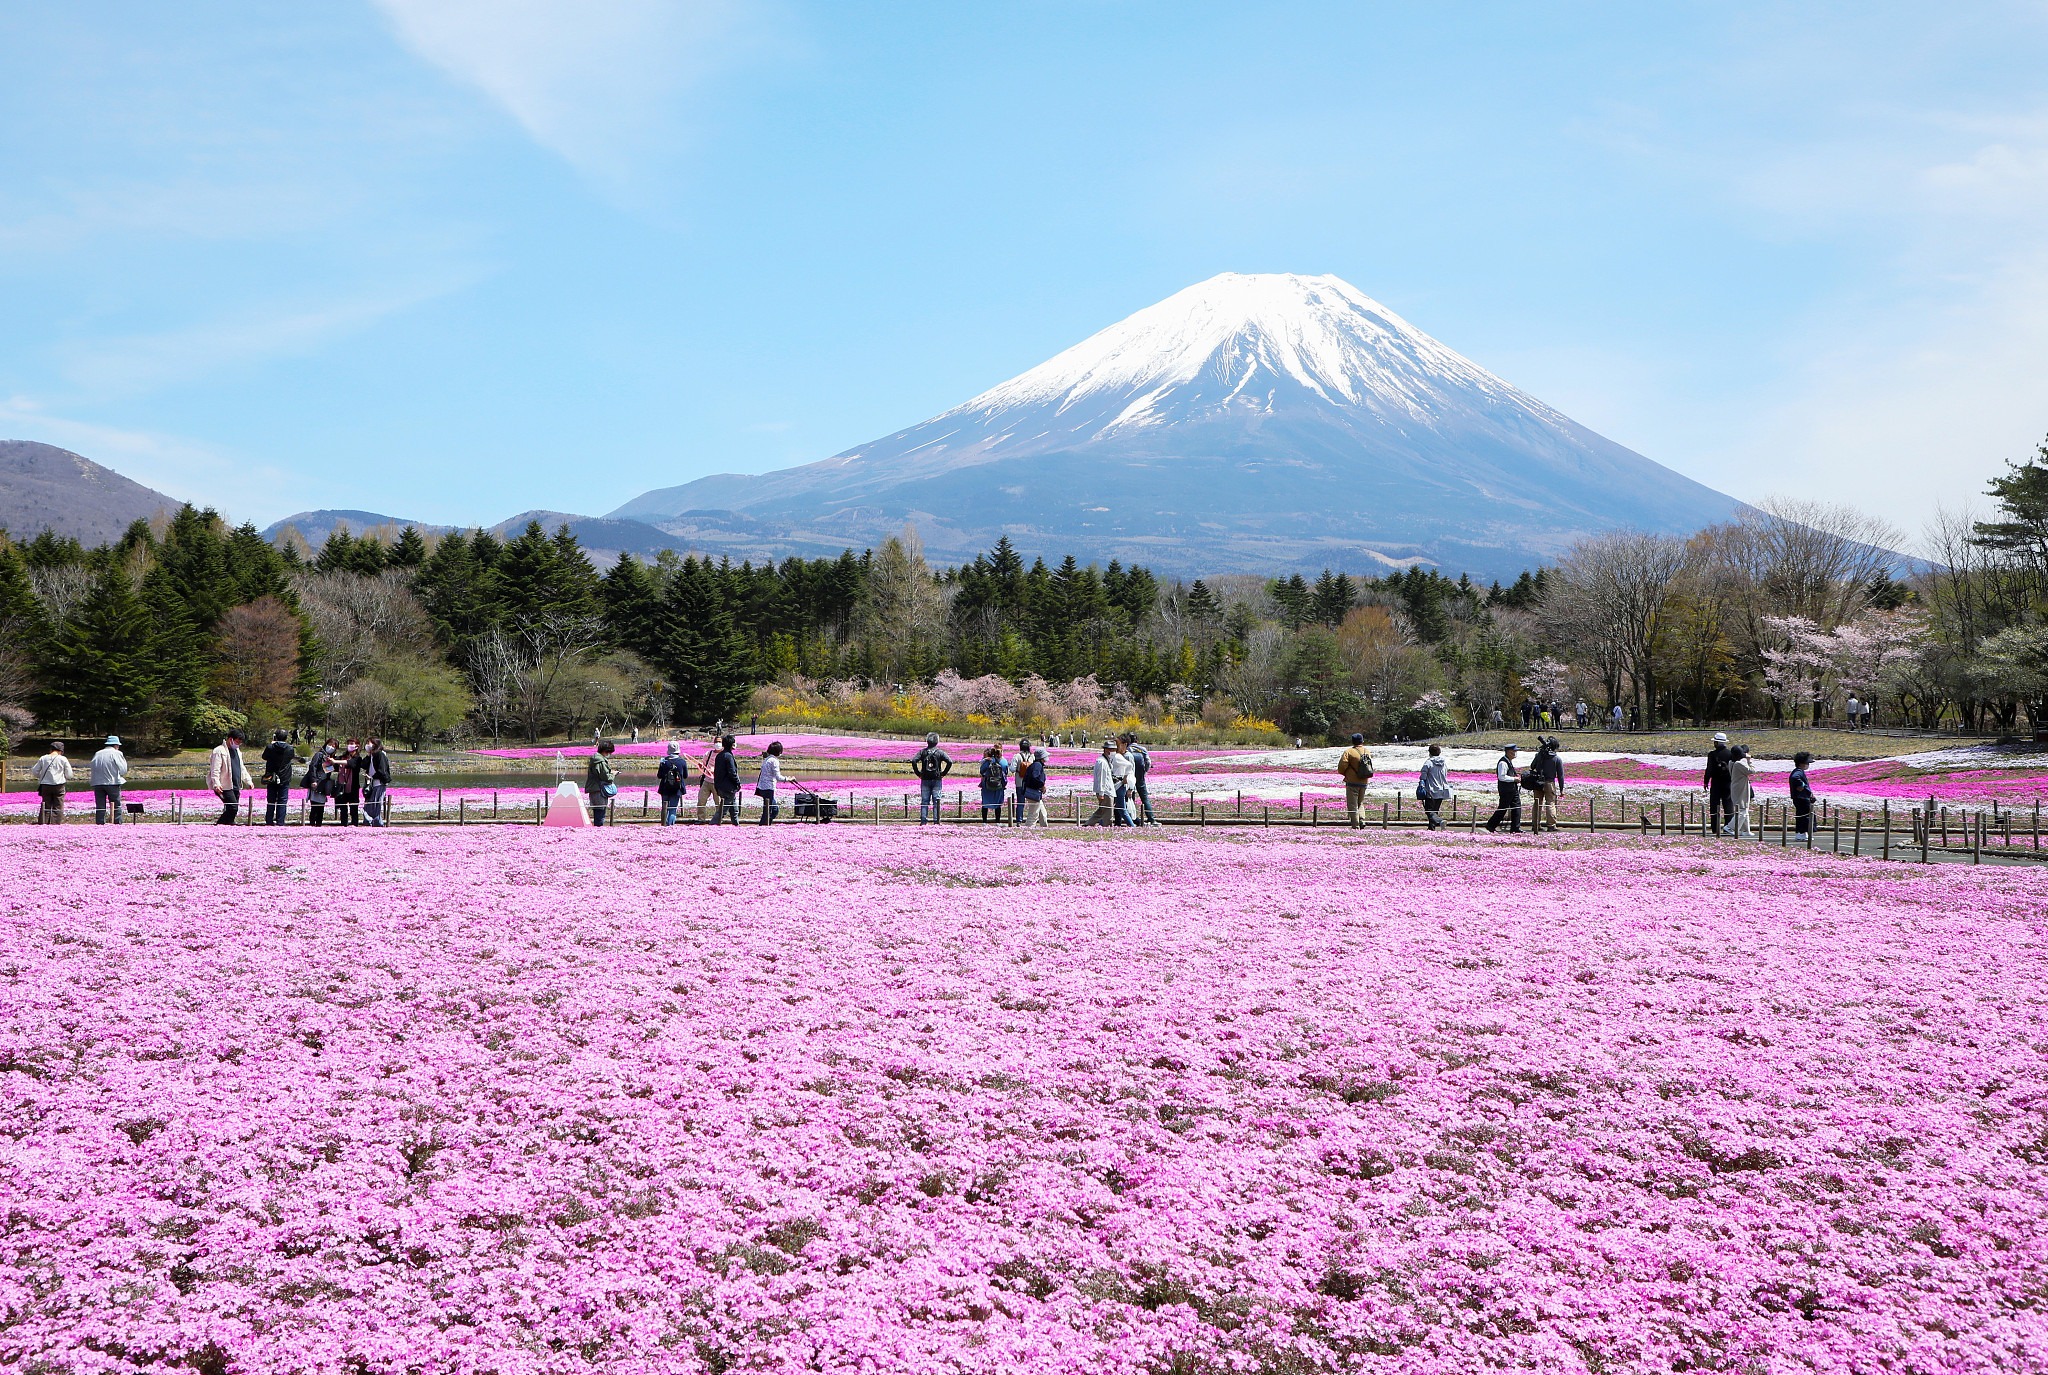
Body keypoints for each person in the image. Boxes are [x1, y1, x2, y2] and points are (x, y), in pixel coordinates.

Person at [207, 729, 254, 825]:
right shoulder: (219, 751)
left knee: (233, 808)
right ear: (230, 739)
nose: (238, 744)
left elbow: (241, 767)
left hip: (236, 784)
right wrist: (216, 784)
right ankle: (220, 824)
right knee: (233, 806)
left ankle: (228, 824)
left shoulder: (237, 751)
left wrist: (248, 780)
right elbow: (215, 769)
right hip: (225, 785)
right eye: (237, 741)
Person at [910, 733, 952, 824]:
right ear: (937, 742)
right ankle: (936, 821)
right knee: (937, 801)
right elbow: (950, 761)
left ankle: (923, 821)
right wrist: (943, 773)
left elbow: (914, 761)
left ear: (927, 741)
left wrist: (918, 773)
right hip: (937, 779)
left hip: (925, 779)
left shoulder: (922, 752)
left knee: (924, 801)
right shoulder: (940, 752)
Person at [1337, 732, 1375, 829]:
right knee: (1360, 802)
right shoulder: (1367, 751)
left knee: (1352, 804)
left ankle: (1356, 825)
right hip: (1364, 780)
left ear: (1352, 741)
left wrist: (1345, 773)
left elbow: (1342, 766)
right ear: (1362, 741)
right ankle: (1362, 819)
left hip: (1352, 781)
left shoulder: (1349, 752)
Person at [1528, 737, 1565, 833]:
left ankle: (1535, 824)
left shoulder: (1540, 755)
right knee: (1550, 803)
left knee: (1537, 803)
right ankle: (1551, 825)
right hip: (1549, 782)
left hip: (1538, 782)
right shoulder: (1557, 759)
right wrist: (1561, 789)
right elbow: (1560, 775)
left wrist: (1539, 757)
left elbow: (1532, 766)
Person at [1484, 743, 1522, 834]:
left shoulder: (1508, 761)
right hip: (1506, 790)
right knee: (1503, 808)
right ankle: (1491, 825)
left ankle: (1515, 828)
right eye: (1514, 751)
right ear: (1509, 752)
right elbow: (1502, 777)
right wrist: (1514, 779)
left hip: (1512, 789)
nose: (1515, 753)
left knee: (1516, 807)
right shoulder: (1503, 762)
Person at [260, 729, 295, 826]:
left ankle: (269, 820)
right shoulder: (290, 748)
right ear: (286, 737)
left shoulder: (270, 747)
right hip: (284, 777)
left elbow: (264, 757)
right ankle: (280, 822)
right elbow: (291, 757)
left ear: (275, 736)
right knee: (282, 800)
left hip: (271, 776)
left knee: (271, 800)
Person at [90, 735, 128, 825]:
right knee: (116, 805)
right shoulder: (116, 753)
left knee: (100, 806)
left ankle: (100, 824)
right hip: (112, 782)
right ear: (116, 745)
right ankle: (117, 823)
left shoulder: (98, 753)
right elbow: (123, 769)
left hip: (97, 783)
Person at [32, 741, 71, 825]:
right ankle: (55, 824)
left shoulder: (43, 758)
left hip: (46, 785)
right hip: (59, 785)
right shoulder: (63, 759)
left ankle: (43, 822)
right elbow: (69, 774)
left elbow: (35, 771)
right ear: (61, 751)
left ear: (51, 749)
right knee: (58, 805)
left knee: (46, 804)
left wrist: (41, 776)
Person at [1703, 732, 1733, 835]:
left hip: (1716, 783)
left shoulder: (1712, 754)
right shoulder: (1730, 754)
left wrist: (1706, 781)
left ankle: (1715, 828)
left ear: (1717, 743)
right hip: (1728, 782)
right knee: (1728, 804)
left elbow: (1709, 769)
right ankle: (1728, 826)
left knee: (1714, 805)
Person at [1416, 743, 1452, 829]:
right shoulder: (1443, 763)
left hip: (1431, 790)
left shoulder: (1428, 762)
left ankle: (1439, 821)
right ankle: (1431, 829)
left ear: (1430, 752)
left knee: (1429, 810)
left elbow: (1423, 776)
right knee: (1435, 811)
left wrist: (1422, 783)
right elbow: (1445, 774)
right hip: (1442, 789)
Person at [585, 739, 619, 826]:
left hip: (594, 790)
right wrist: (613, 774)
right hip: (599, 790)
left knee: (597, 812)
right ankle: (598, 832)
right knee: (600, 814)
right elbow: (606, 777)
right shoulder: (600, 761)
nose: (609, 755)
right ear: (605, 751)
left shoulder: (595, 759)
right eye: (609, 752)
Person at [304, 738, 337, 826]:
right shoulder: (319, 755)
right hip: (316, 783)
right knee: (314, 806)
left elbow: (329, 771)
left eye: (334, 746)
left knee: (321, 807)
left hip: (324, 785)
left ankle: (319, 825)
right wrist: (313, 780)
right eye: (330, 744)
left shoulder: (332, 759)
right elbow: (313, 767)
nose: (331, 747)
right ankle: (312, 824)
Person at [656, 742, 689, 826]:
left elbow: (659, 776)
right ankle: (670, 826)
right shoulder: (682, 762)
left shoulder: (664, 761)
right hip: (677, 789)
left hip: (665, 788)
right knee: (673, 809)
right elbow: (685, 776)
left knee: (665, 808)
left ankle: (664, 825)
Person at [1125, 734, 1155, 824]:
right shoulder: (1142, 749)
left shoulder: (1127, 750)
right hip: (1140, 776)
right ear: (1137, 740)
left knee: (1131, 797)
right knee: (1144, 797)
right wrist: (1144, 772)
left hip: (1130, 776)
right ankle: (1151, 818)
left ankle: (1133, 819)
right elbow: (1148, 762)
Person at [1726, 744, 1754, 838]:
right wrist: (1749, 760)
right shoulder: (1739, 764)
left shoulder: (1731, 762)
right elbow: (1752, 771)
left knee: (1744, 808)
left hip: (1736, 787)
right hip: (1741, 788)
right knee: (1742, 809)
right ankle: (1730, 827)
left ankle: (1745, 830)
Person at [1086, 741, 1117, 826]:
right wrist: (1101, 793)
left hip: (1108, 790)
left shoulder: (1106, 761)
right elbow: (1101, 778)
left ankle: (1087, 825)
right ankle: (1106, 827)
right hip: (1106, 791)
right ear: (1107, 750)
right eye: (1113, 750)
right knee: (1108, 813)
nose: (1114, 752)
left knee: (1101, 811)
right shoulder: (1102, 762)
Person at [713, 735, 742, 824]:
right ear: (731, 744)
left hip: (720, 786)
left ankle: (736, 825)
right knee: (723, 810)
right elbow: (732, 772)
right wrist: (737, 782)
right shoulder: (728, 756)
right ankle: (713, 824)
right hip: (728, 787)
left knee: (734, 809)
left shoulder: (719, 755)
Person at [362, 738, 391, 826]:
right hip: (371, 783)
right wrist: (368, 755)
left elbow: (382, 771)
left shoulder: (380, 755)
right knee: (370, 803)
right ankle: (370, 821)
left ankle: (377, 822)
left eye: (369, 743)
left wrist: (372, 777)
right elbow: (362, 764)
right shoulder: (372, 756)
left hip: (379, 783)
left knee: (376, 804)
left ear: (375, 744)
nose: (367, 745)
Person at [333, 740, 362, 827]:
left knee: (353, 808)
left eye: (352, 744)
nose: (349, 745)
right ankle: (343, 824)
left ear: (357, 746)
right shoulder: (342, 757)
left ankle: (354, 824)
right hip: (342, 786)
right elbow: (333, 765)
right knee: (343, 808)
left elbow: (350, 763)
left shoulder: (358, 759)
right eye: (348, 744)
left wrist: (335, 762)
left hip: (353, 786)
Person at [755, 741, 784, 824]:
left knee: (773, 809)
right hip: (768, 788)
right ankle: (764, 825)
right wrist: (788, 779)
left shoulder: (767, 759)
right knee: (768, 810)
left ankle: (766, 824)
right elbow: (778, 776)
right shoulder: (774, 761)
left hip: (763, 787)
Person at [977, 744, 1008, 822]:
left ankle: (984, 822)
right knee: (998, 804)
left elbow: (982, 771)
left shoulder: (987, 762)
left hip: (987, 786)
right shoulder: (1003, 762)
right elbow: (1005, 772)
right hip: (998, 786)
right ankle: (997, 821)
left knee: (985, 803)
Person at [1110, 739, 1137, 826]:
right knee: (1116, 808)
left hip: (1119, 785)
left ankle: (1132, 825)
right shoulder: (1114, 756)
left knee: (1122, 809)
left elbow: (1130, 765)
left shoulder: (1117, 756)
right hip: (1115, 785)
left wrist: (1125, 777)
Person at [1021, 746, 1049, 827]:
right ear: (1042, 757)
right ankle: (1028, 830)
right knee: (1033, 815)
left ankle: (1045, 829)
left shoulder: (1036, 765)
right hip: (1034, 793)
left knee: (1043, 814)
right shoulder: (1037, 765)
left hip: (1035, 793)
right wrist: (1042, 785)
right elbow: (1034, 777)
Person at [1789, 750, 1815, 836]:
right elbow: (1794, 778)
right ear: (1801, 763)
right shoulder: (1798, 772)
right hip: (1801, 798)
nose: (1808, 765)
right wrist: (1802, 785)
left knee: (1802, 816)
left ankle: (1801, 833)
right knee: (1804, 816)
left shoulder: (1799, 771)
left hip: (1800, 797)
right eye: (1807, 763)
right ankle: (1801, 833)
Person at [696, 739, 719, 821]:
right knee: (701, 800)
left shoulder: (724, 755)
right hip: (707, 781)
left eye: (720, 742)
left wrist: (715, 770)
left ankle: (718, 820)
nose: (718, 744)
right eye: (716, 742)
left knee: (718, 803)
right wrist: (701, 765)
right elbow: (704, 765)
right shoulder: (708, 754)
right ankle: (701, 819)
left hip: (717, 783)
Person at [1012, 735, 1034, 823]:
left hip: (1019, 782)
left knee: (1020, 802)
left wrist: (1018, 770)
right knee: (1032, 802)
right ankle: (1031, 819)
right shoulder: (1032, 757)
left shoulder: (1017, 756)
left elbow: (1012, 769)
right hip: (1030, 783)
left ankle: (1019, 820)